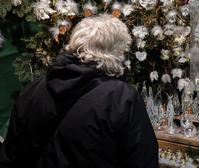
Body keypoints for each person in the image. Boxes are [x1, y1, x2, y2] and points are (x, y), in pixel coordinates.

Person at [0, 14, 159, 168]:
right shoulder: (123, 98)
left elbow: (9, 156)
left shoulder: (31, 90)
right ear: (116, 51)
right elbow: (142, 161)